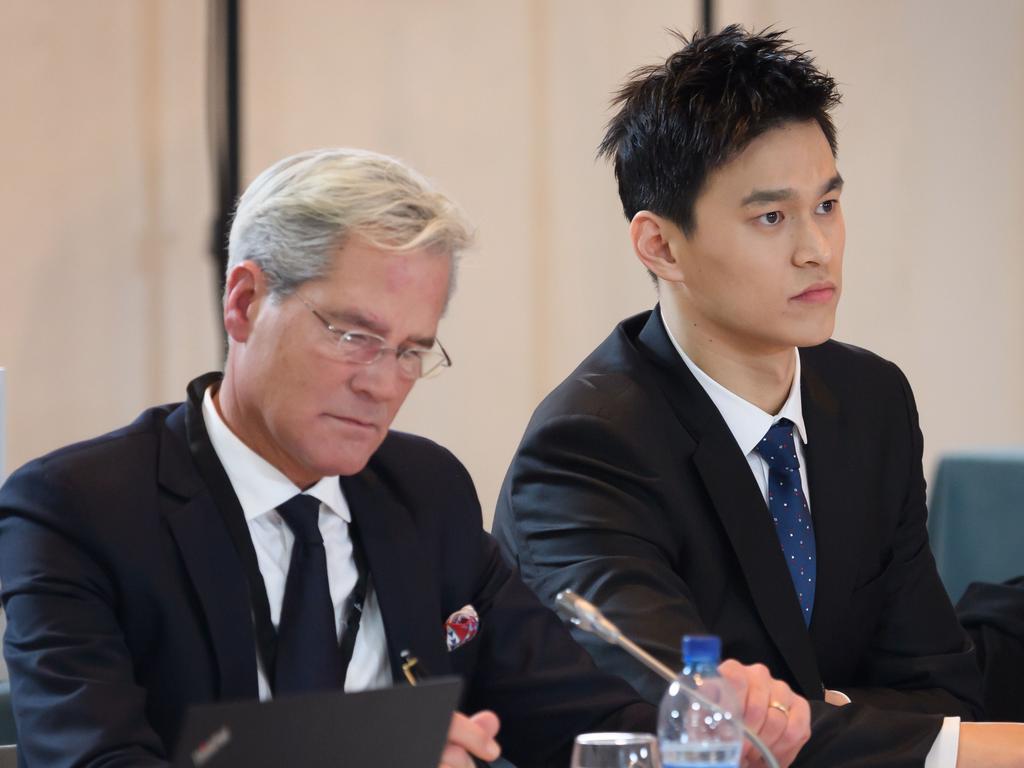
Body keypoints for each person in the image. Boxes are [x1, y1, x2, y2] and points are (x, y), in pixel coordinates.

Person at [0, 148, 810, 768]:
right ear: (245, 302)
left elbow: (576, 720)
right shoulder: (78, 511)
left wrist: (702, 735)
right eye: (352, 335)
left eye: (411, 351)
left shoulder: (423, 493)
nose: (382, 384)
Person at [494, 26, 1024, 767]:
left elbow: (940, 687)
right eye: (771, 218)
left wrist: (824, 718)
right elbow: (692, 723)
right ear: (661, 246)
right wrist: (858, 720)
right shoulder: (589, 447)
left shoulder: (869, 399)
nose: (817, 249)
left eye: (828, 206)